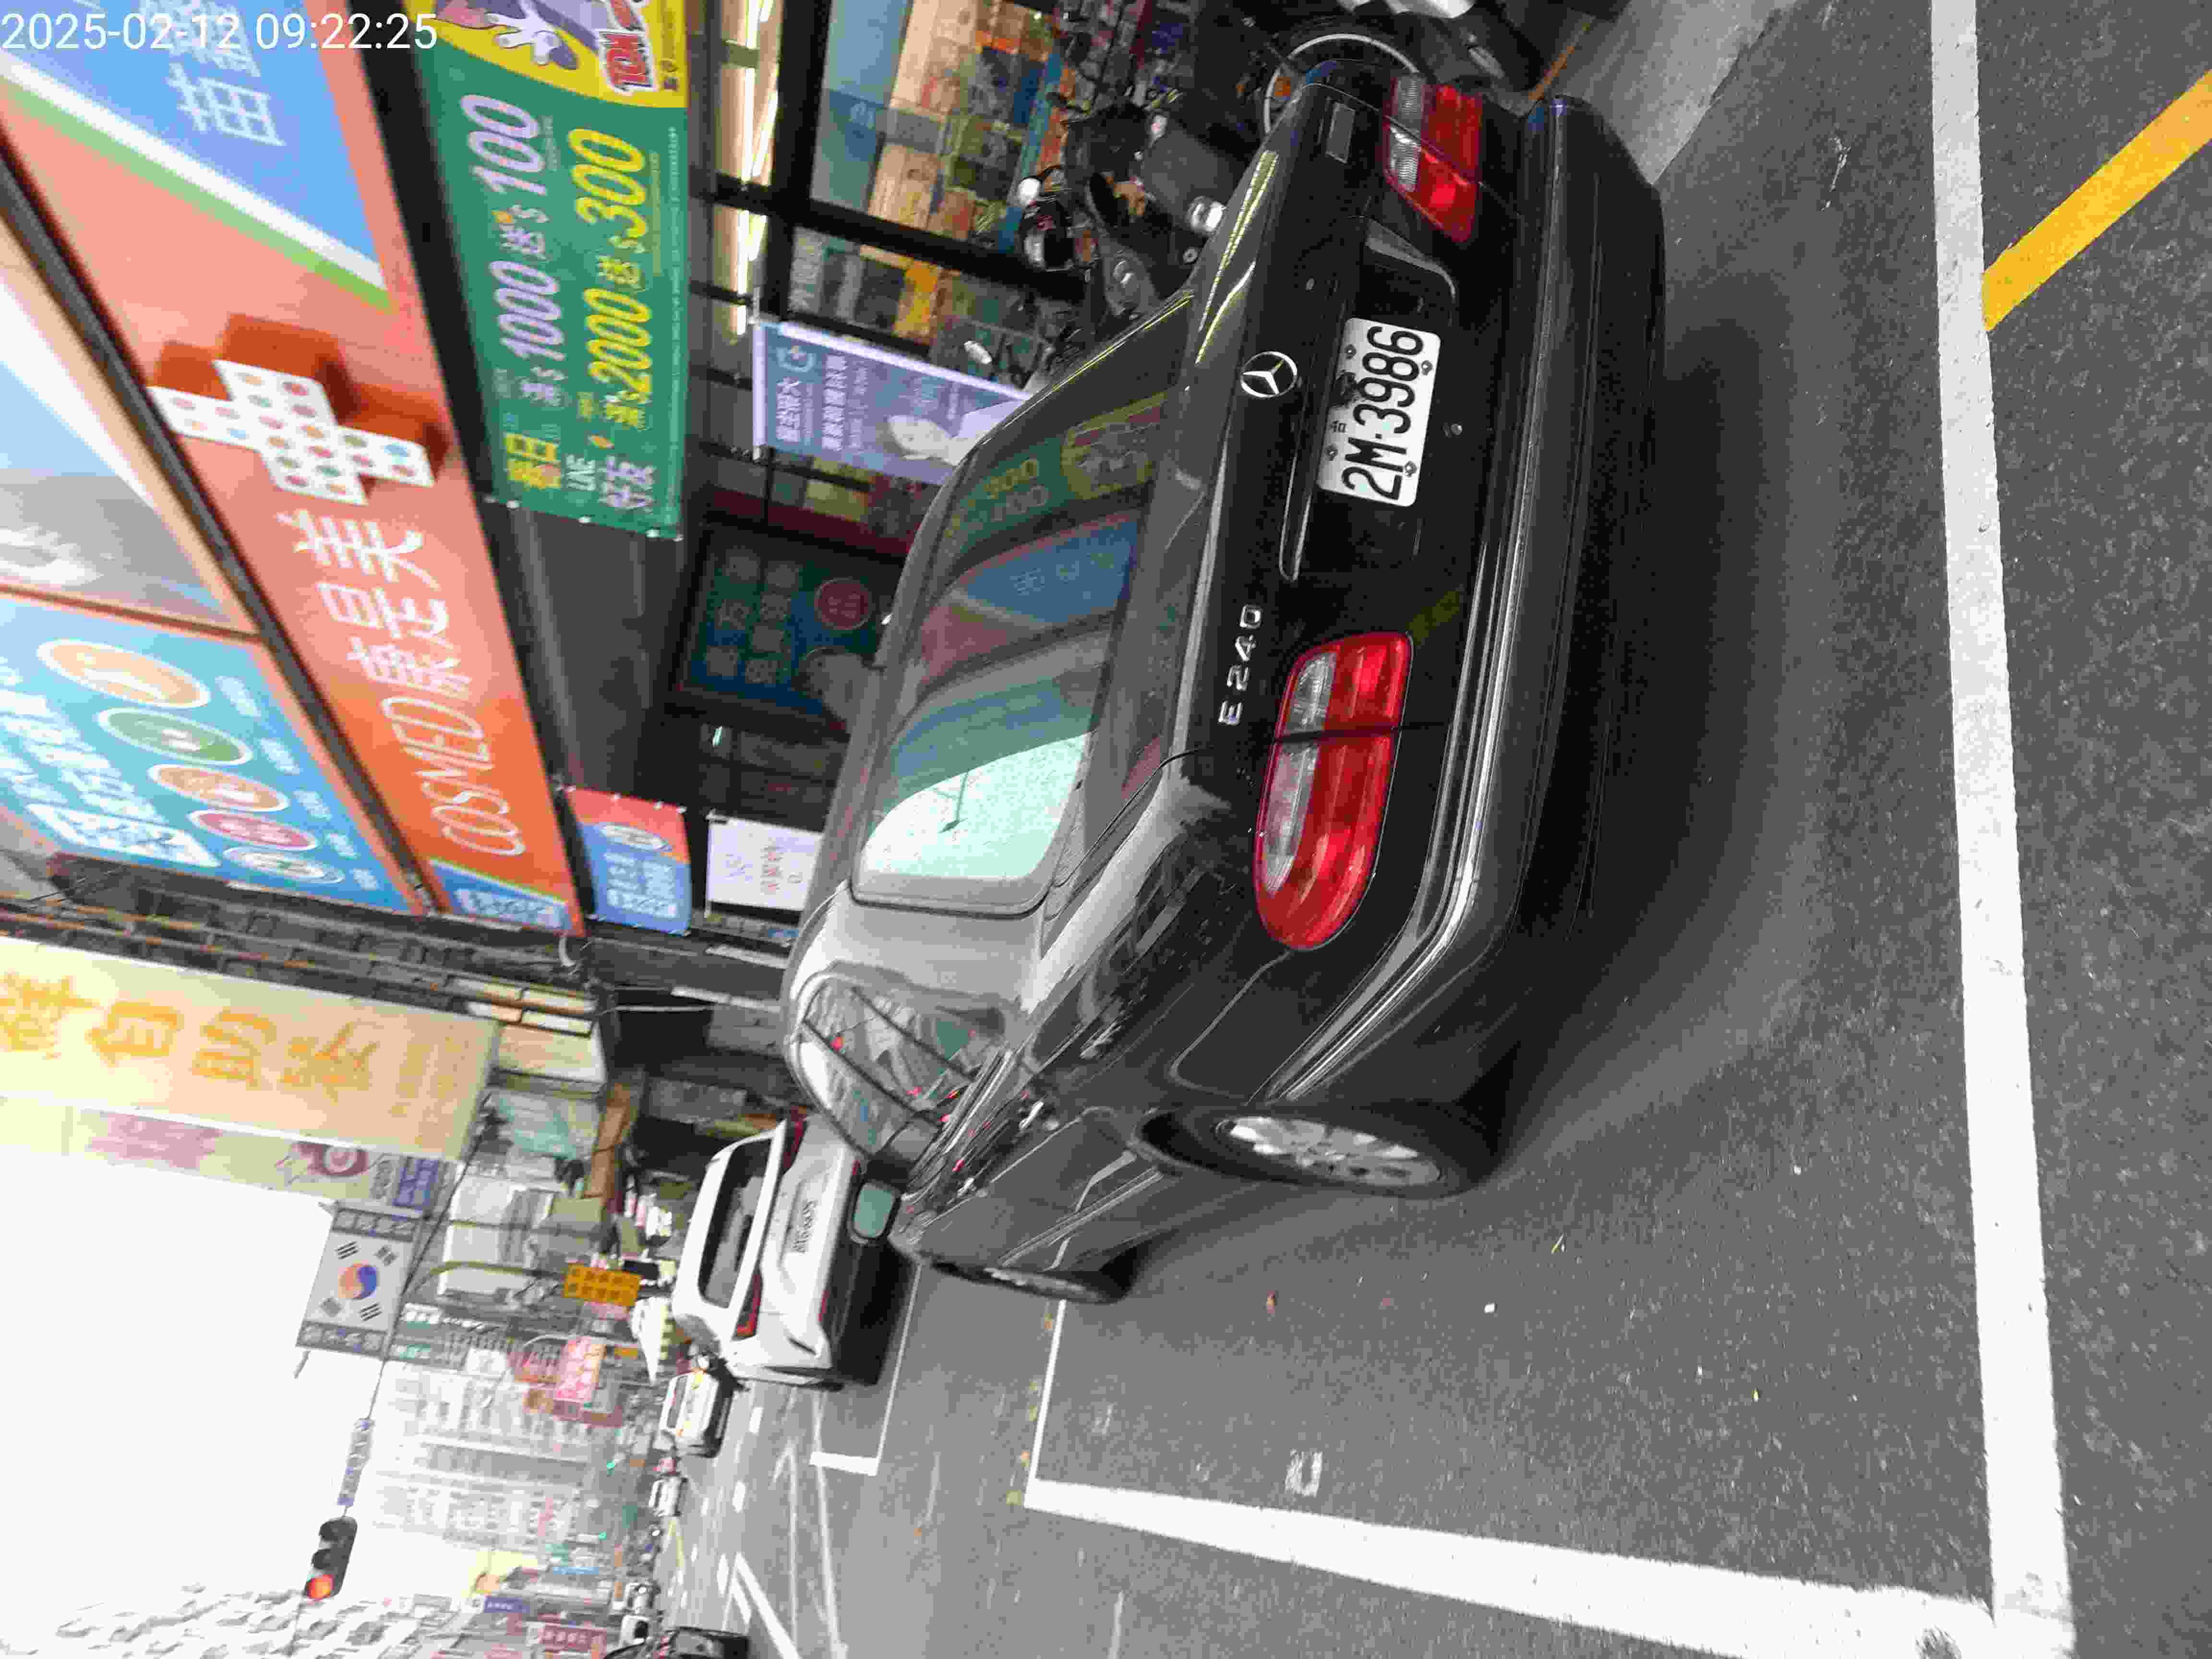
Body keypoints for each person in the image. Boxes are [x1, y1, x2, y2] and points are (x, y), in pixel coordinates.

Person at [877, 401, 1020, 469]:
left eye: (915, 423)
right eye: (911, 438)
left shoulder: (974, 420)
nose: (924, 431)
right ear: (915, 456)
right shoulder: (968, 480)